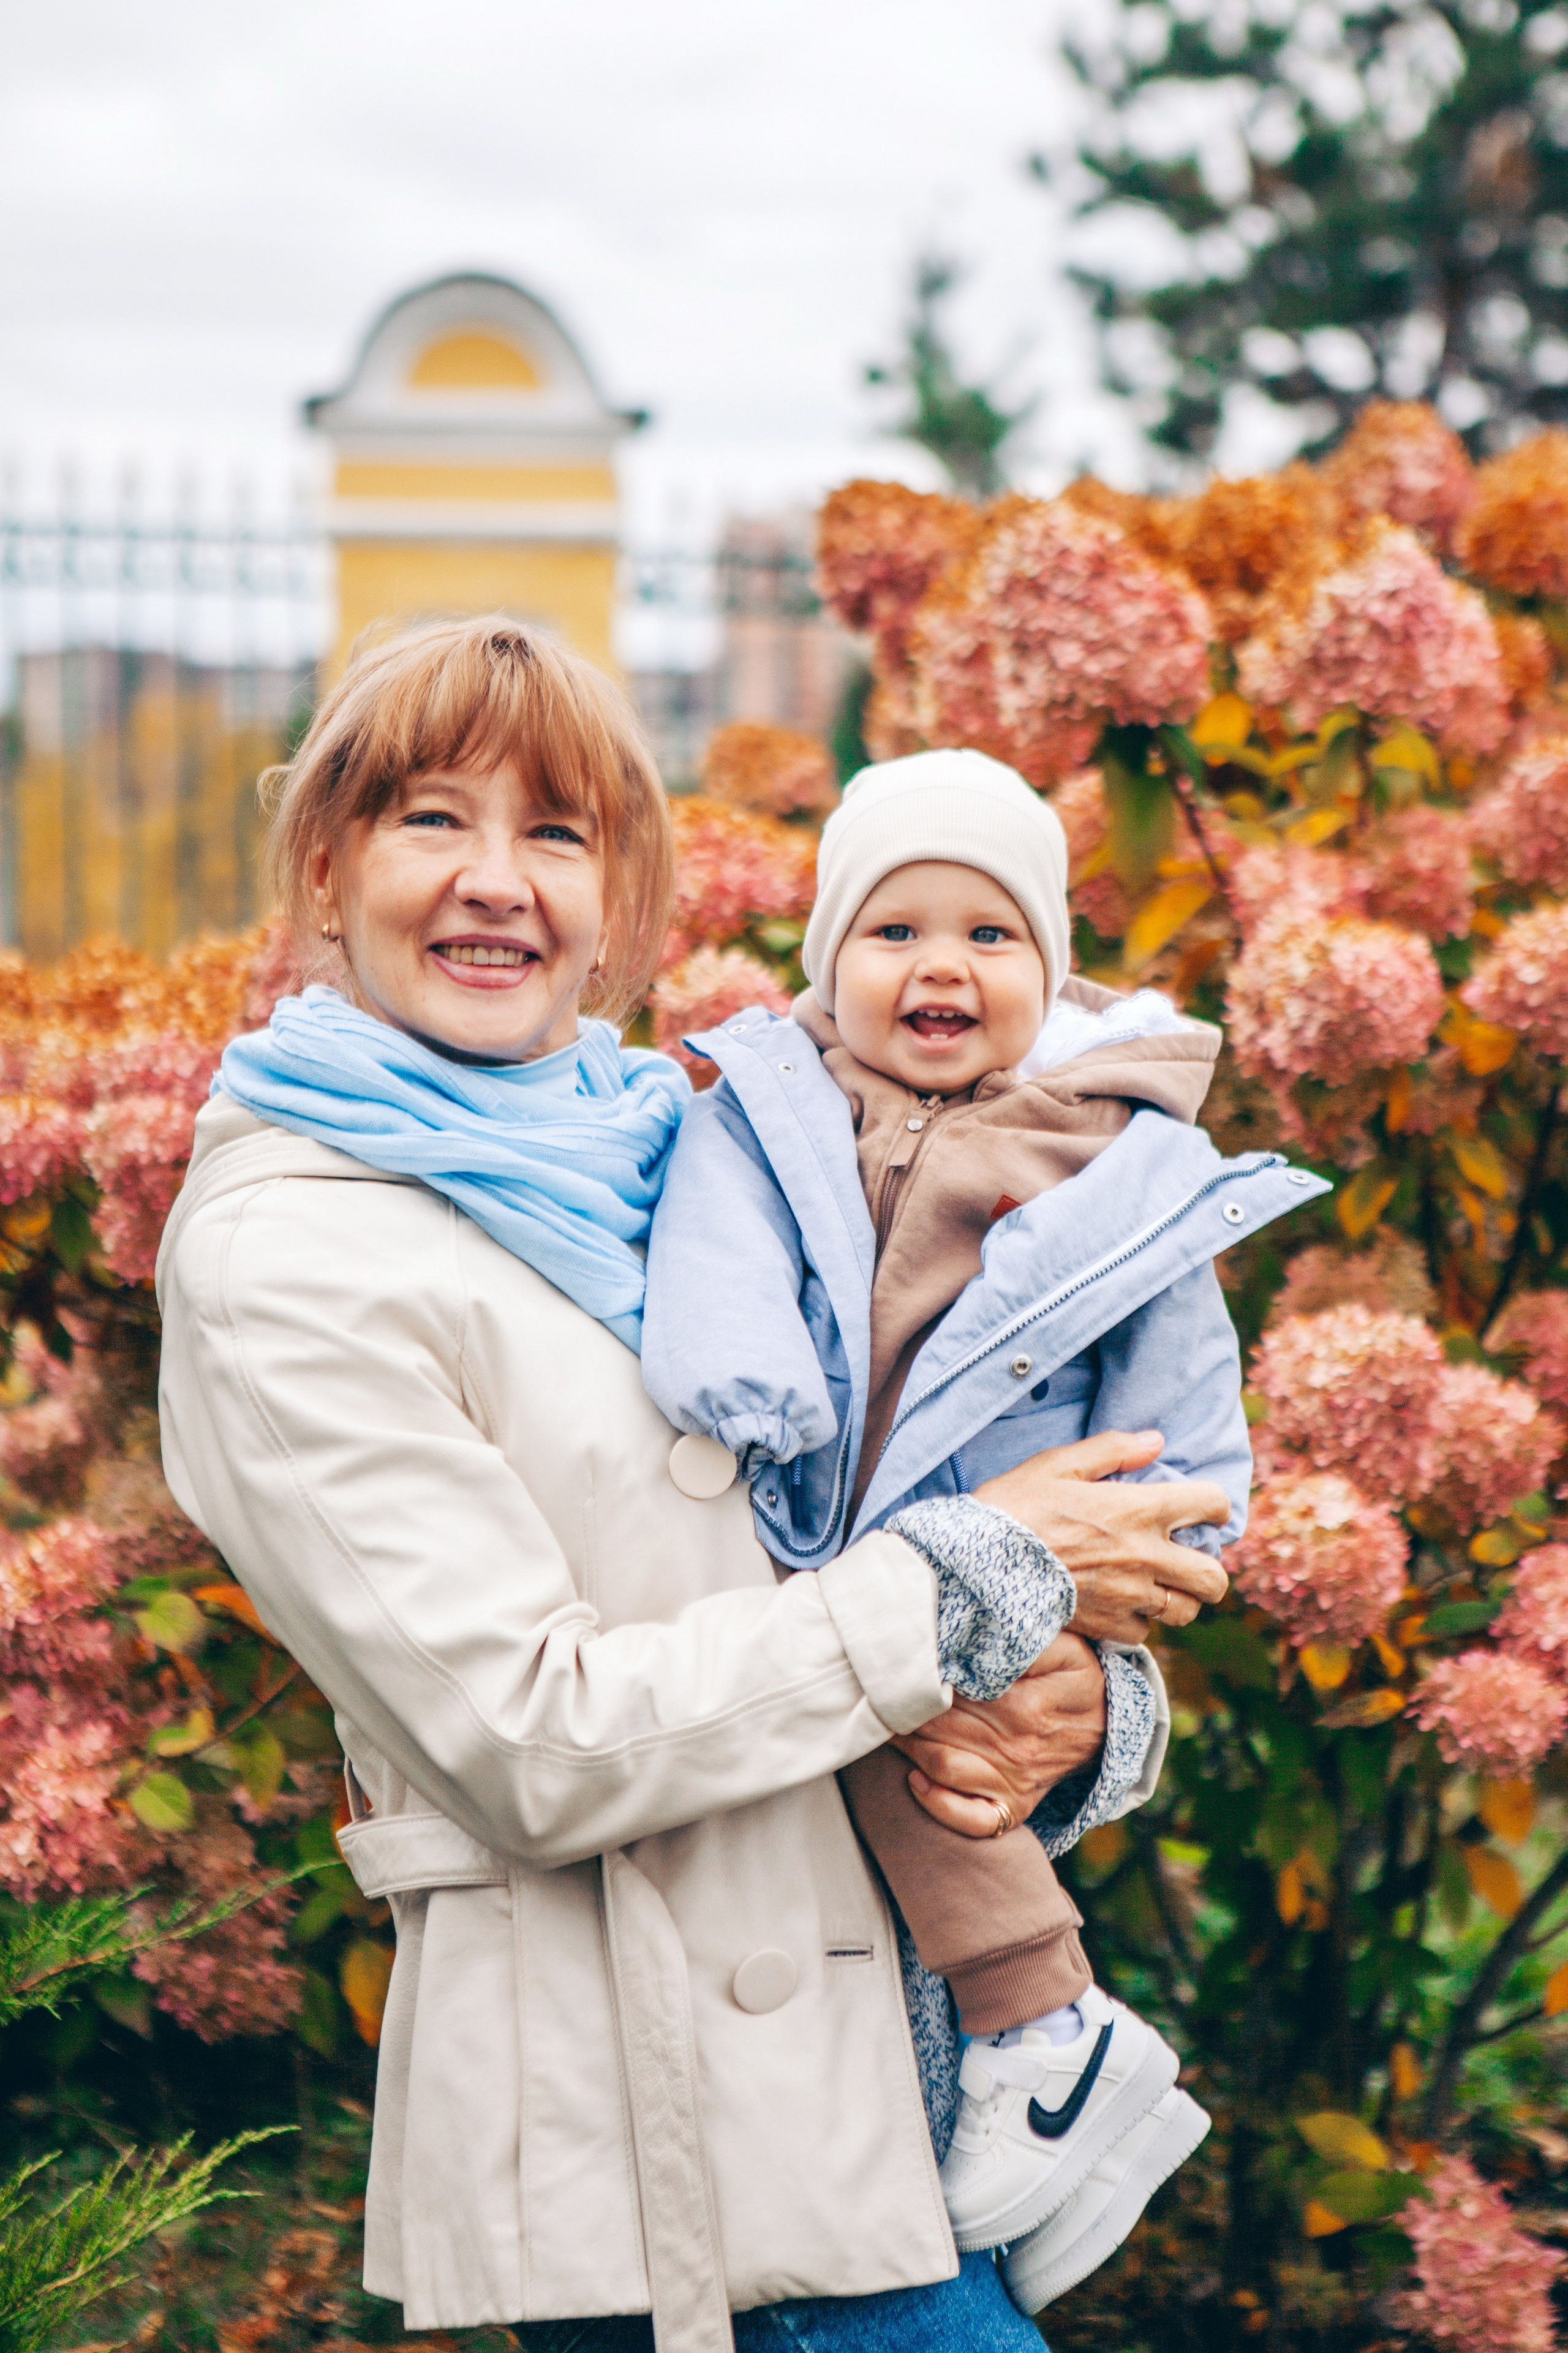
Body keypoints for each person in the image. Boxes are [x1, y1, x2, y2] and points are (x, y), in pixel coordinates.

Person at [156, 618, 1236, 2353]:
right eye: (434, 820)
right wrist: (975, 1574)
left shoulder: (677, 1144)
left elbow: (849, 1537)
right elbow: (534, 1737)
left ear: (622, 898)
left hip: (904, 2061)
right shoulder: (288, 1254)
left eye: (560, 833)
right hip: (684, 2152)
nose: (497, 884)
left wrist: (1080, 1710)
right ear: (327, 865)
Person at [643, 749, 1329, 2313]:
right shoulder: (770, 1106)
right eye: (891, 933)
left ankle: (1040, 2037)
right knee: (873, 1711)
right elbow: (716, 1245)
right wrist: (737, 1379)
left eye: (988, 934)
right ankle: (1049, 2046)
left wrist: (1177, 1529)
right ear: (829, 964)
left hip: (1014, 1538)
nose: (938, 964)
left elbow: (1175, 1380)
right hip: (814, 1508)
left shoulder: (1115, 1154)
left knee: (938, 1736)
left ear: (1049, 966)